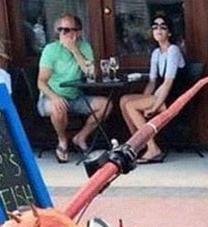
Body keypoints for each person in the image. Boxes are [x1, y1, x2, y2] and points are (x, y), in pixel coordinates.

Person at [36, 14, 110, 163]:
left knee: (106, 105)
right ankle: (62, 140)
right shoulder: (51, 49)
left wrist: (75, 50)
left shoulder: (84, 47)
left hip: (75, 96)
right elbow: (41, 82)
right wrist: (55, 97)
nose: (64, 33)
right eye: (61, 30)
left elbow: (91, 74)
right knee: (59, 107)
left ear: (78, 32)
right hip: (50, 97)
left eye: (69, 30)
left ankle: (80, 137)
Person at [119, 13, 185, 164]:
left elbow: (168, 83)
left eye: (163, 27)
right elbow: (152, 82)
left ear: (169, 32)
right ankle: (137, 144)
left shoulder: (173, 50)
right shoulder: (156, 53)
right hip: (160, 94)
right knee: (124, 100)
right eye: (155, 27)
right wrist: (143, 99)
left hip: (173, 97)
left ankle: (153, 148)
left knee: (131, 106)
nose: (158, 30)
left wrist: (153, 107)